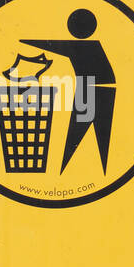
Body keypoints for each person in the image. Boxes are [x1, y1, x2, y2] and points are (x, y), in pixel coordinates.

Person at [21, 9, 115, 173]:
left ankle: (67, 170)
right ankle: (94, 170)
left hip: (90, 90)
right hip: (99, 89)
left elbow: (58, 46)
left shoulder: (86, 46)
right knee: (93, 137)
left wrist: (27, 41)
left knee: (79, 137)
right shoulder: (93, 45)